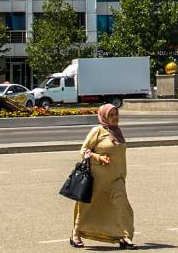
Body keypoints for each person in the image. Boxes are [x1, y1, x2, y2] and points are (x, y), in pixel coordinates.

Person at [70, 104, 135, 249]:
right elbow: (84, 151)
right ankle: (76, 233)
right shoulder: (97, 131)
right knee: (86, 206)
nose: (115, 117)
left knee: (123, 206)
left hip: (116, 179)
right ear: (104, 116)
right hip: (96, 178)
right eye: (111, 115)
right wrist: (98, 157)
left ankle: (125, 237)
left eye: (116, 114)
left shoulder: (117, 131)